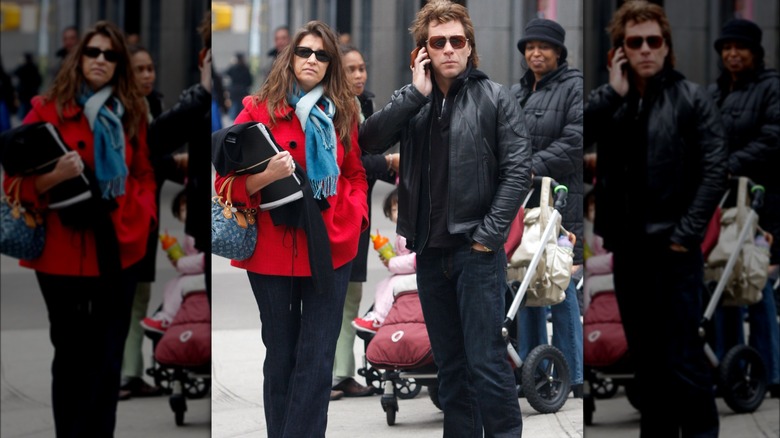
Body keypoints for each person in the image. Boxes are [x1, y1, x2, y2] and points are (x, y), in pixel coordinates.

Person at [358, 1, 530, 435]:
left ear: (469, 47)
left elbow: (517, 173)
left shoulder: (496, 97)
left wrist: (487, 237)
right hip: (430, 255)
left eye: (458, 41)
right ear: (423, 51)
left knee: (486, 360)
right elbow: (369, 141)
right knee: (451, 366)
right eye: (439, 42)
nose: (449, 49)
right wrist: (414, 94)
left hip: (476, 253)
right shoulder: (412, 99)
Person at [1, 20, 156, 437]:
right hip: (61, 252)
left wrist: (139, 214)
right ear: (79, 58)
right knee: (70, 356)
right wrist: (53, 177)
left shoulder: (131, 111)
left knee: (107, 360)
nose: (101, 60)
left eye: (111, 55)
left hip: (119, 248)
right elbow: (12, 183)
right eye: (94, 52)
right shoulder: (47, 110)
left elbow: (143, 174)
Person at [214, 20, 367, 436]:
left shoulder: (344, 111)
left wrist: (354, 215)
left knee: (317, 359)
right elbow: (224, 183)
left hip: (331, 246)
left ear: (331, 63)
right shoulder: (258, 109)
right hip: (271, 251)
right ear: (290, 57)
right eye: (305, 52)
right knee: (281, 355)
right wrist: (265, 177)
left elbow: (355, 174)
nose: (313, 60)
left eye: (322, 54)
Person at [584, 1, 728, 436]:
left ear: (666, 47)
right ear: (620, 51)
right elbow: (578, 135)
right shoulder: (615, 102)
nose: (646, 49)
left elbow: (714, 170)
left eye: (654, 41)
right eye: (635, 42)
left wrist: (685, 235)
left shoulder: (692, 98)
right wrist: (613, 91)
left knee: (683, 358)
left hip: (674, 252)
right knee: (646, 363)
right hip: (629, 252)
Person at [510, 17, 584, 398]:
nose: (535, 53)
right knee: (525, 278)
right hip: (522, 203)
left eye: (544, 47)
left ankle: (572, 375)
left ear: (559, 51)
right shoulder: (517, 92)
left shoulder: (574, 87)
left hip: (560, 202)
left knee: (560, 284)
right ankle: (532, 372)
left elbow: (575, 141)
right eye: (529, 47)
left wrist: (530, 166)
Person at [707, 18, 780, 397]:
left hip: (760, 201)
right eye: (727, 48)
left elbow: (773, 137)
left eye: (741, 48)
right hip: (720, 201)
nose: (733, 54)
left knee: (756, 281)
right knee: (721, 277)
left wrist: (729, 164)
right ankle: (731, 367)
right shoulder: (714, 94)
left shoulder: (771, 88)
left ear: (754, 52)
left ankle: (771, 370)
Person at [330, 44, 396, 400]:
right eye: (351, 69)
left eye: (362, 68)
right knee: (330, 297)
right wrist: (391, 164)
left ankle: (342, 374)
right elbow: (348, 161)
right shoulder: (329, 107)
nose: (359, 75)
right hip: (335, 213)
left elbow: (366, 158)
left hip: (359, 212)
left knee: (352, 294)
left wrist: (392, 167)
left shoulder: (364, 104)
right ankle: (323, 375)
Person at [117, 44, 175, 400]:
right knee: (128, 298)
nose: (148, 75)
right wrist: (172, 164)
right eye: (139, 70)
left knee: (139, 295)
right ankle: (126, 373)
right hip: (123, 217)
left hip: (145, 216)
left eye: (150, 68)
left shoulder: (152, 105)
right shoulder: (123, 111)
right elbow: (142, 159)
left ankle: (131, 372)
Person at [148, 10, 212, 301]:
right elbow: (157, 141)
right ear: (204, 59)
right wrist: (203, 92)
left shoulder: (239, 99)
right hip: (203, 223)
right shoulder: (197, 99)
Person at [352, 187, 417, 333]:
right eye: (394, 209)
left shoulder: (413, 232)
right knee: (382, 284)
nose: (398, 213)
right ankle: (376, 316)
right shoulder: (402, 233)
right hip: (406, 272)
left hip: (414, 274)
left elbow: (414, 260)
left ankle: (379, 319)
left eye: (402, 207)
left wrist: (392, 263)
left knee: (392, 285)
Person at [141, 189, 205, 333]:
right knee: (171, 284)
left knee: (181, 284)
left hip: (197, 274)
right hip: (191, 272)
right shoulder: (190, 233)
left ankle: (168, 318)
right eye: (182, 210)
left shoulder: (199, 231)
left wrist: (181, 263)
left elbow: (202, 260)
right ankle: (164, 315)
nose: (185, 213)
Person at [13, 52, 42, 120]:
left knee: (23, 115)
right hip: (32, 94)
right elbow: (39, 81)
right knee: (30, 113)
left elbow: (15, 72)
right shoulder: (34, 68)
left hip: (24, 95)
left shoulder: (23, 68)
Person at [225, 52, 253, 120]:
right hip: (243, 92)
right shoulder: (246, 68)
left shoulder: (233, 68)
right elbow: (250, 81)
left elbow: (226, 73)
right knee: (242, 111)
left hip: (234, 92)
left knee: (233, 111)